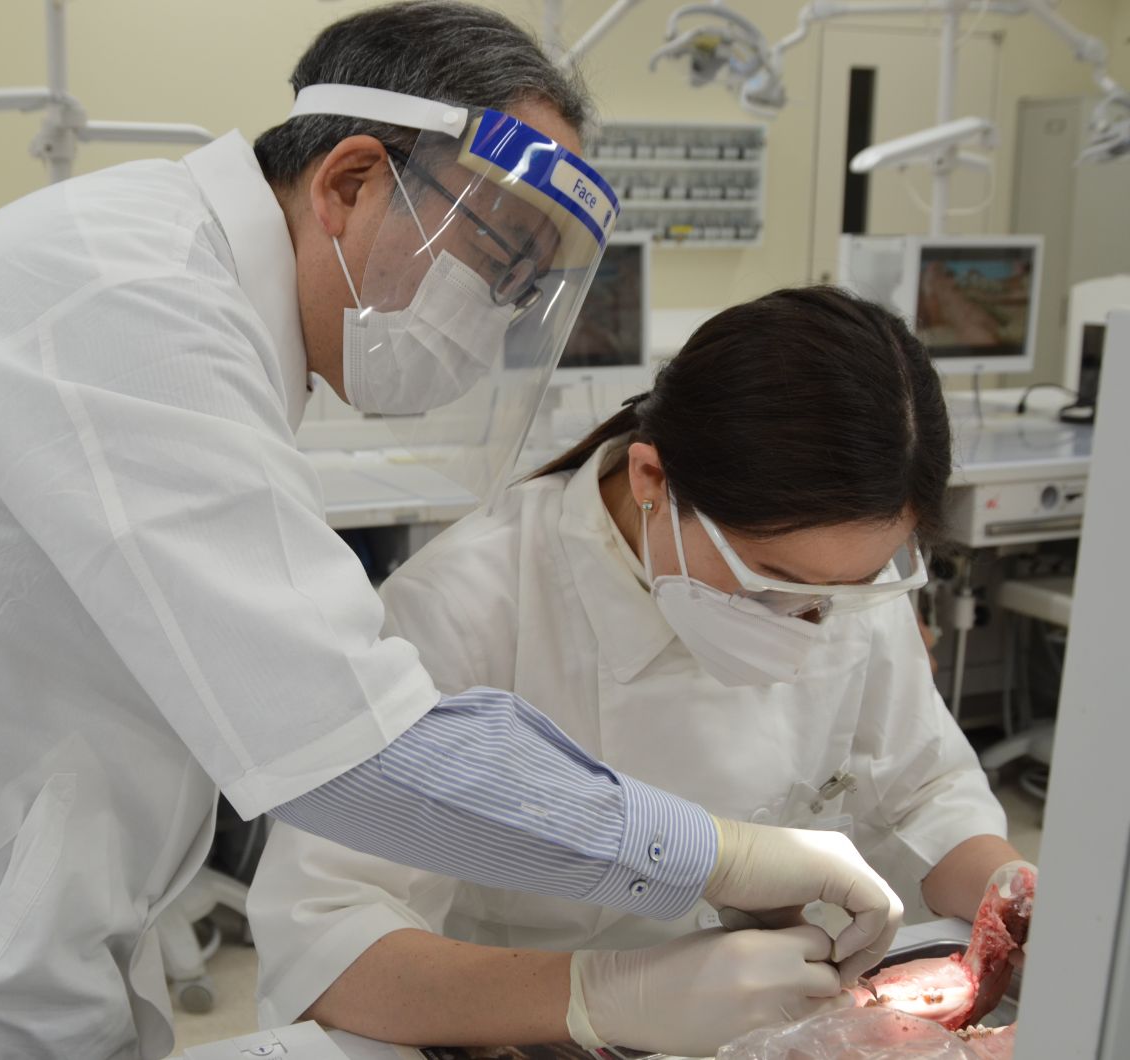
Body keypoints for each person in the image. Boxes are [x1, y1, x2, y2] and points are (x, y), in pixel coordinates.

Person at [0, 6, 903, 1057]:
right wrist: (710, 863)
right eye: (493, 257)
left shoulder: (184, 299)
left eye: (523, 284)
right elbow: (361, 759)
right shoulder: (128, 299)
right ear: (351, 180)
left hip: (16, 927)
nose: (497, 314)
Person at [247, 286, 1030, 1058]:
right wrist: (605, 994)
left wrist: (1017, 900)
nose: (805, 625)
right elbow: (325, 946)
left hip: (780, 1026)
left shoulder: (837, 579)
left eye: (838, 595)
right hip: (523, 1031)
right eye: (769, 585)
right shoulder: (466, 606)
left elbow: (924, 792)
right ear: (653, 480)